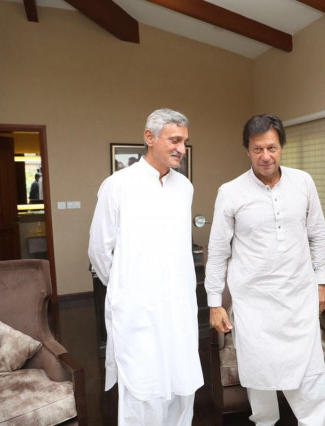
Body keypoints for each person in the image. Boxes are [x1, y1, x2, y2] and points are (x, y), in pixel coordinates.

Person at [205, 114, 325, 425]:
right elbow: (218, 251)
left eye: (272, 148)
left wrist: (322, 282)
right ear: (247, 150)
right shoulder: (230, 192)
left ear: (281, 147)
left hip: (298, 297)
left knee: (310, 375)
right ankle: (264, 421)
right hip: (254, 302)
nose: (265, 156)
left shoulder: (303, 182)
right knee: (259, 374)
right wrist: (214, 302)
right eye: (257, 149)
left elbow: (318, 234)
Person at [88, 108, 203, 426]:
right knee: (143, 387)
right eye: (174, 140)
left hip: (178, 306)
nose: (181, 148)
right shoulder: (117, 185)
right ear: (149, 138)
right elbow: (99, 250)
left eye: (184, 141)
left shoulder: (185, 187)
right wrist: (127, 287)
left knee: (181, 383)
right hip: (138, 309)